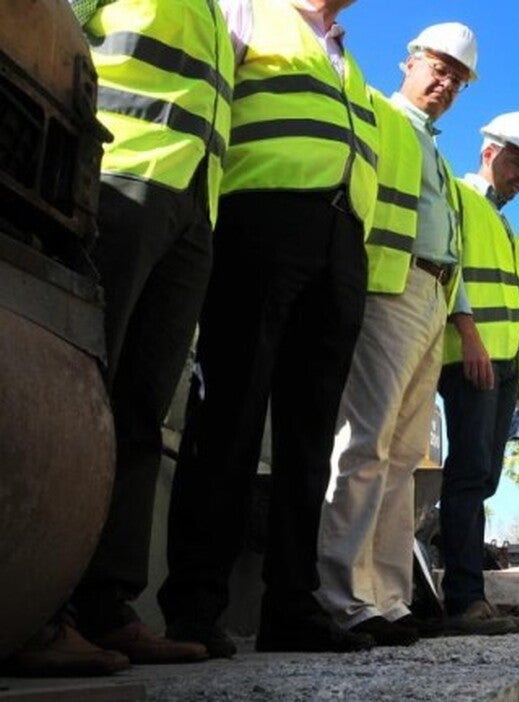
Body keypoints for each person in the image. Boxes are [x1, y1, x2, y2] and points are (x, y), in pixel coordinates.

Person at [3, 0, 233, 676]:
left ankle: (104, 604)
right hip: (117, 176)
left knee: (137, 410)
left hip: (192, 207)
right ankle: (38, 604)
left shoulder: (220, 15)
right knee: (77, 391)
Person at [157, 0, 380, 655]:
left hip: (340, 241)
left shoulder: (349, 65)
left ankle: (291, 604)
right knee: (229, 408)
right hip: (258, 219)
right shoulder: (247, 12)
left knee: (309, 434)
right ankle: (196, 604)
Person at [316, 22, 477, 648]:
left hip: (432, 294)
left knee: (405, 454)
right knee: (367, 441)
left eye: (457, 79)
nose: (445, 84)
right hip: (391, 284)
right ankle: (341, 594)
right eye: (438, 68)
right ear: (408, 62)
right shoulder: (380, 115)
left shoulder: (434, 148)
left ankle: (386, 595)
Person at [438, 112, 519, 635]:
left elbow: (512, 299)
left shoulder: (501, 220)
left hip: (503, 367)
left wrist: (518, 378)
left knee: (485, 476)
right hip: (470, 356)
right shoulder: (459, 195)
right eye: (515, 163)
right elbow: (451, 265)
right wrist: (469, 336)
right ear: (488, 152)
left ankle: (467, 584)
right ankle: (463, 597)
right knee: (469, 471)